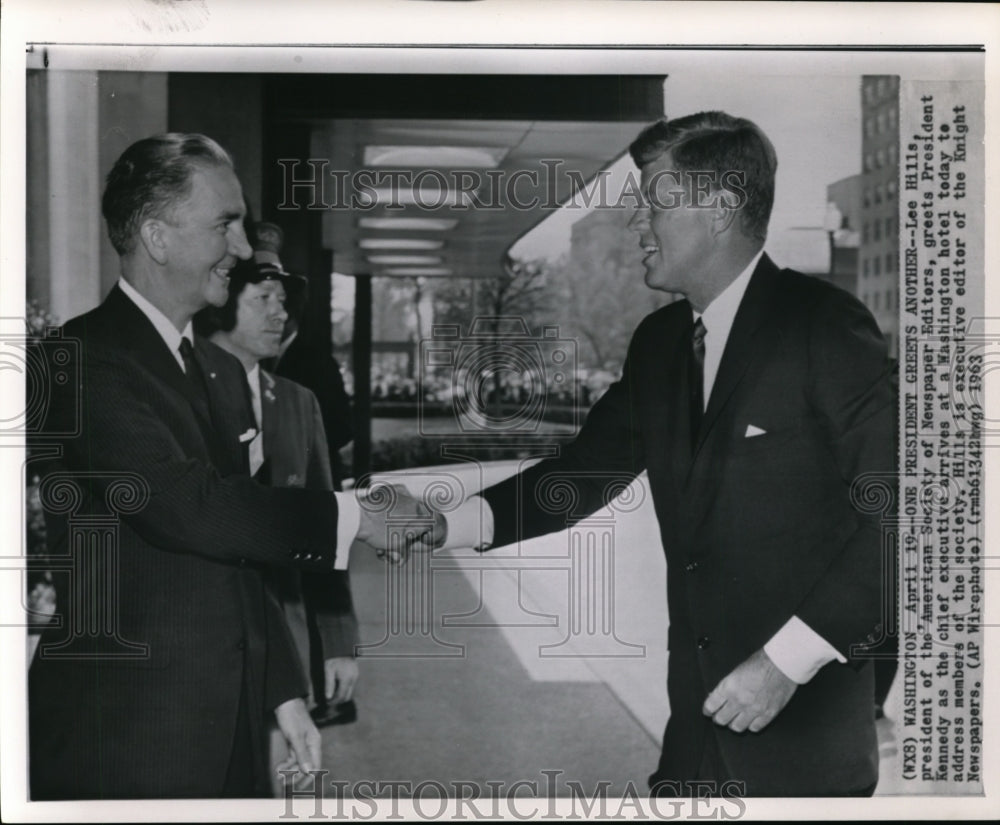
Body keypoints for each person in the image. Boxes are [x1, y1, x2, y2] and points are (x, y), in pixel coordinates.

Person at [438, 112, 896, 797]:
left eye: (653, 203)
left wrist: (784, 661)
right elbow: (580, 475)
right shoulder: (658, 344)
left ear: (718, 210)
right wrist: (446, 522)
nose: (637, 226)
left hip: (806, 754)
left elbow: (902, 515)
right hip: (692, 744)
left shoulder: (822, 325)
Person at [27, 133, 427, 799]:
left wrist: (282, 693)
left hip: (221, 727)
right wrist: (357, 516)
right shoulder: (78, 361)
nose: (242, 249)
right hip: (126, 742)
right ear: (157, 236)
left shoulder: (203, 367)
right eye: (225, 224)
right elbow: (194, 506)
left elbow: (233, 547)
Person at [195, 254, 360, 766]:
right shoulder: (181, 393)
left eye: (282, 302)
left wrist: (337, 640)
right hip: (204, 649)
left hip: (283, 647)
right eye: (262, 300)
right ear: (222, 306)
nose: (279, 315)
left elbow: (323, 524)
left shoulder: (297, 402)